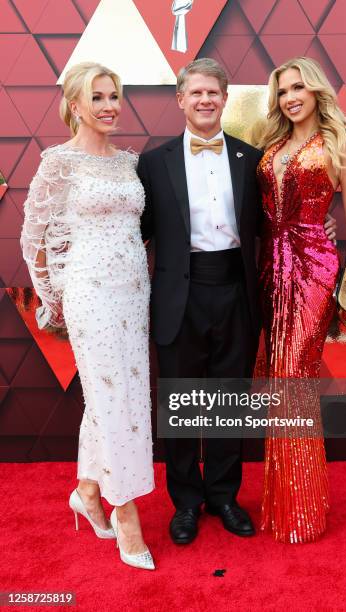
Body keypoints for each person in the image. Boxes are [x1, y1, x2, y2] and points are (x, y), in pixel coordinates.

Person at [138, 58, 336, 545]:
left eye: (214, 92)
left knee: (229, 399)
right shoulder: (153, 161)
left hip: (236, 290)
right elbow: (137, 233)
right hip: (178, 293)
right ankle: (185, 503)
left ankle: (224, 496)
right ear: (181, 99)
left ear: (226, 100)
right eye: (196, 92)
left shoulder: (252, 159)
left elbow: (281, 222)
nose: (206, 100)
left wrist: (322, 227)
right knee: (182, 402)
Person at [21, 62, 155, 569]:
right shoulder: (58, 162)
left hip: (132, 293)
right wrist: (53, 298)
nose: (109, 106)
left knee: (116, 397)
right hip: (89, 293)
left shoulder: (128, 162)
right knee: (110, 396)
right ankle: (125, 513)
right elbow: (34, 236)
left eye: (114, 96)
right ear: (75, 105)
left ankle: (87, 491)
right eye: (97, 97)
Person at [255, 56, 346, 543]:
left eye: (297, 88)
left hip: (313, 267)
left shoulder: (341, 144)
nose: (290, 97)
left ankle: (302, 509)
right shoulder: (272, 144)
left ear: (315, 91)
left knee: (294, 376)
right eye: (283, 90)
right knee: (275, 377)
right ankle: (287, 501)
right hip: (269, 266)